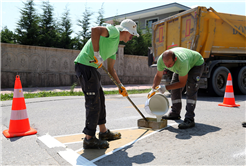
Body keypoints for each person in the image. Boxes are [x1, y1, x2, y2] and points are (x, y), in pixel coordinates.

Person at [74, 19, 139, 149]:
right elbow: (95, 30)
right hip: (85, 66)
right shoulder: (114, 31)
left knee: (100, 100)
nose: (132, 37)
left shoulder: (115, 46)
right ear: (125, 31)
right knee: (93, 103)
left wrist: (120, 86)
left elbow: (111, 69)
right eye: (131, 34)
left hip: (91, 68)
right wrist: (97, 54)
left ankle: (103, 132)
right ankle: (89, 138)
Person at [148, 47, 204, 129]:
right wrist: (153, 89)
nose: (167, 66)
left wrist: (165, 87)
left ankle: (189, 119)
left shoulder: (182, 62)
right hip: (181, 65)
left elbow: (182, 83)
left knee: (191, 88)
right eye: (166, 65)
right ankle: (175, 113)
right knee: (174, 88)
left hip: (196, 64)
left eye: (170, 65)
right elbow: (159, 75)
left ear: (175, 59)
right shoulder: (161, 60)